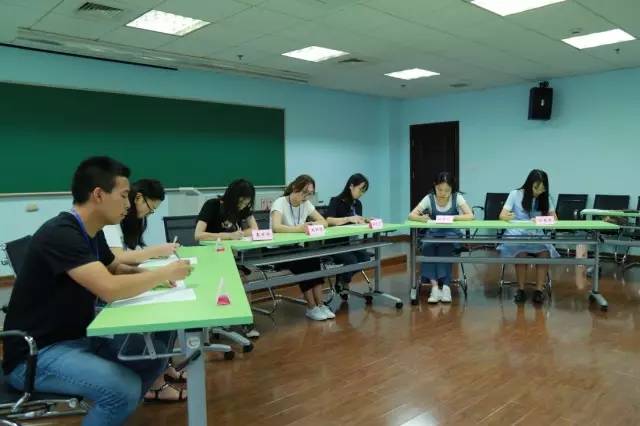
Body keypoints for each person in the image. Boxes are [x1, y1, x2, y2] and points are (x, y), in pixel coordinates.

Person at [2, 157, 191, 425]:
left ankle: (111, 413)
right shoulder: (61, 233)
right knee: (122, 390)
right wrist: (163, 273)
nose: (128, 204)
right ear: (99, 195)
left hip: (79, 336)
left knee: (151, 357)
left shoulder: (92, 231)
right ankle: (115, 403)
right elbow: (109, 288)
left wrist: (150, 278)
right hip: (36, 354)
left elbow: (113, 268)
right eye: (124, 196)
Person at [103, 178, 187, 401]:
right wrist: (155, 255)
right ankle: (156, 384)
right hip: (111, 295)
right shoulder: (110, 221)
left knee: (169, 309)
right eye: (150, 208)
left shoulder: (132, 221)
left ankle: (164, 366)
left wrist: (152, 264)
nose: (149, 214)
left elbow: (130, 253)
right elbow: (117, 259)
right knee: (157, 322)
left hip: (123, 281)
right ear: (137, 197)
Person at [194, 179, 260, 337]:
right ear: (232, 197)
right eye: (241, 201)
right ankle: (219, 321)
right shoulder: (212, 205)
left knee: (244, 281)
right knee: (236, 280)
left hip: (229, 257)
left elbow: (255, 229)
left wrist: (240, 234)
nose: (243, 205)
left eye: (247, 202)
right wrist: (228, 236)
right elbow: (198, 235)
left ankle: (246, 323)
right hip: (210, 257)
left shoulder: (242, 208)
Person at [270, 175, 331, 321]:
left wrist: (312, 225)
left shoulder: (306, 204)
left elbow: (324, 222)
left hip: (296, 247)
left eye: (310, 193)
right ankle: (311, 307)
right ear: (294, 188)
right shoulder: (280, 202)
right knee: (304, 262)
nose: (306, 197)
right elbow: (276, 227)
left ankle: (321, 304)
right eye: (304, 192)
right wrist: (299, 228)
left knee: (313, 258)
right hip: (277, 249)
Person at [408, 172, 473, 303]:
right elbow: (411, 215)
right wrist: (421, 218)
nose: (443, 193)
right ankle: (435, 287)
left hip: (451, 234)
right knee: (427, 248)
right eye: (439, 189)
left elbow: (470, 215)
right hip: (433, 234)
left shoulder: (457, 197)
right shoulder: (429, 198)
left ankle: (446, 287)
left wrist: (454, 217)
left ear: (452, 189)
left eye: (447, 190)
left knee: (445, 249)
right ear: (435, 186)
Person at [498, 169, 559, 304]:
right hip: (517, 234)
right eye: (536, 188)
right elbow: (502, 215)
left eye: (542, 189)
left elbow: (554, 219)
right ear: (529, 184)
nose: (538, 192)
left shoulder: (546, 198)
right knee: (521, 253)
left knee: (544, 253)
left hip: (536, 235)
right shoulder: (515, 194)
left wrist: (540, 220)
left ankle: (539, 291)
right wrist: (508, 216)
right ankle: (521, 290)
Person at [326, 173, 371, 297]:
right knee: (351, 260)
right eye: (360, 189)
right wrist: (348, 219)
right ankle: (345, 282)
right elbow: (328, 220)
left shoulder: (358, 204)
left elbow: (356, 223)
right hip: (336, 244)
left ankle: (342, 278)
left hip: (352, 244)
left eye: (364, 191)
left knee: (365, 258)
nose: (361, 193)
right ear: (351, 186)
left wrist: (364, 220)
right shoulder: (336, 201)